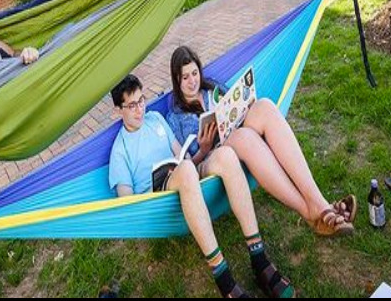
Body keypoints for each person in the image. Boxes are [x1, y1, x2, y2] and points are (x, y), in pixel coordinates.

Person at [109, 75, 296, 299]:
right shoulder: (120, 150)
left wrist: (201, 151)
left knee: (225, 155)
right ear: (118, 111)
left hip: (184, 173)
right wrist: (155, 197)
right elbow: (127, 203)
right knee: (187, 170)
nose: (140, 109)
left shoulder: (155, 118)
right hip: (159, 196)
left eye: (141, 100)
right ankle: (224, 280)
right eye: (131, 106)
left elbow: (181, 153)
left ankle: (259, 258)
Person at [166, 46, 357, 237]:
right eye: (185, 77)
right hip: (214, 159)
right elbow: (185, 167)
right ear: (176, 79)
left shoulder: (212, 89)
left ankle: (319, 202)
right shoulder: (174, 117)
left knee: (264, 106)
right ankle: (310, 211)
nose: (193, 81)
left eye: (194, 73)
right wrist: (203, 148)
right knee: (243, 137)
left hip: (237, 134)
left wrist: (244, 106)